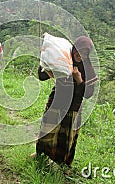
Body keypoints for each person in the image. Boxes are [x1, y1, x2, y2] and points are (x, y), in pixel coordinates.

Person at [32, 36, 98, 167]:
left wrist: (79, 79)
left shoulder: (87, 69)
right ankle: (41, 155)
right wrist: (45, 58)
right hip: (56, 102)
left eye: (85, 53)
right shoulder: (62, 61)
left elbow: (89, 94)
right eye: (79, 51)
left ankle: (64, 163)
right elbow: (42, 76)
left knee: (67, 137)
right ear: (73, 49)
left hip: (73, 107)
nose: (80, 55)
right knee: (47, 131)